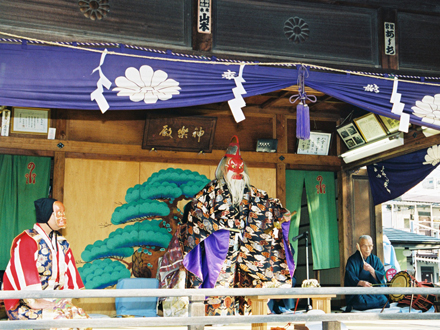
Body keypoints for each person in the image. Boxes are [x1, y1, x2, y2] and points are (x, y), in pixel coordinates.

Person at [158, 135, 295, 316]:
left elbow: (270, 206)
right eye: (232, 168)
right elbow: (196, 213)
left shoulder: (254, 193)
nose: (236, 173)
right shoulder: (210, 192)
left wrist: (280, 214)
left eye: (240, 168)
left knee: (250, 291)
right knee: (220, 290)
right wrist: (218, 229)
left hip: (249, 251)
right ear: (223, 170)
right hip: (220, 251)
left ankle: (249, 320)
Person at [2, 197, 91, 329]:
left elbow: (69, 276)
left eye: (63, 212)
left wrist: (65, 301)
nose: (62, 216)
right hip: (24, 303)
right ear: (46, 214)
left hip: (53, 299)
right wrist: (35, 301)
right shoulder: (27, 241)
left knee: (81, 318)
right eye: (58, 213)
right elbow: (24, 276)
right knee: (60, 321)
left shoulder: (62, 243)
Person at [344, 235, 389, 312]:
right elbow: (350, 277)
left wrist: (372, 271)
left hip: (373, 291)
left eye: (370, 246)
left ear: (372, 247)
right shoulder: (352, 260)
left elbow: (381, 277)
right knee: (361, 302)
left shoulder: (375, 260)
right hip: (359, 292)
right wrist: (361, 283)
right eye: (364, 246)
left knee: (385, 301)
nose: (368, 249)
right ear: (358, 246)